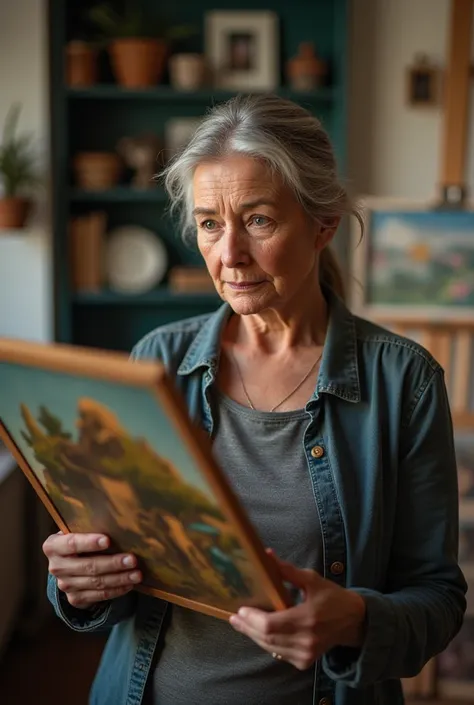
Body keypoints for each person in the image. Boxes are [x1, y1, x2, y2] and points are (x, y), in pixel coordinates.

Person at [43, 93, 467, 705]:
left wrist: (352, 620)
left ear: (323, 225)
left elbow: (437, 600)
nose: (229, 255)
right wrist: (79, 581)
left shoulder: (404, 382)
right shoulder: (156, 361)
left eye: (259, 221)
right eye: (210, 223)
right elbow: (112, 570)